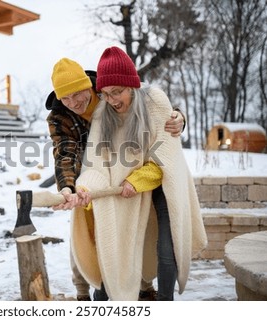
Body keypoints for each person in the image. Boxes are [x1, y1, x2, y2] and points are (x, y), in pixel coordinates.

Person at [69, 46, 208, 300]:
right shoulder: (103, 113)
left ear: (131, 85)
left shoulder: (155, 101)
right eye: (105, 94)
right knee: (112, 242)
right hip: (129, 188)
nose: (111, 100)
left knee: (167, 249)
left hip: (163, 183)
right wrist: (86, 189)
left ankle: (165, 303)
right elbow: (96, 164)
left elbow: (164, 157)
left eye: (117, 92)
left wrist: (137, 179)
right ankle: (105, 301)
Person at [46, 57, 186, 301]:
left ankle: (143, 286)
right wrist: (67, 187)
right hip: (92, 174)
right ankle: (84, 293)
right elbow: (65, 153)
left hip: (135, 167)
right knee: (85, 235)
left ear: (89, 86)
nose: (73, 103)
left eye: (77, 94)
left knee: (141, 229)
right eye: (65, 98)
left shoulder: (106, 93)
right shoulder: (61, 117)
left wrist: (179, 117)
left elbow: (151, 106)